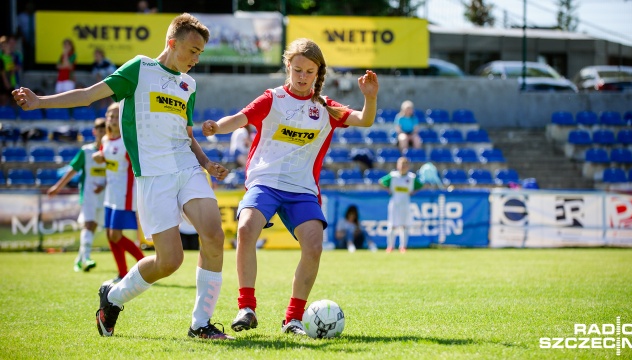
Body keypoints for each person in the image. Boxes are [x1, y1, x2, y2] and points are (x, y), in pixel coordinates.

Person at [12, 13, 233, 340]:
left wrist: (206, 162)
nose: (196, 58)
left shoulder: (189, 84)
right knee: (169, 261)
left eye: (201, 53)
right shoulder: (140, 68)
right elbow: (89, 94)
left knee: (214, 236)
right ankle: (112, 298)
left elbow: (185, 133)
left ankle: (201, 324)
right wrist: (40, 101)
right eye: (192, 50)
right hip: (153, 175)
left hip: (187, 168)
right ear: (172, 43)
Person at [201, 38, 379, 336]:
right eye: (297, 69)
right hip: (265, 182)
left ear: (317, 72)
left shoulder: (325, 108)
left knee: (314, 246)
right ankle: (246, 307)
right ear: (288, 67)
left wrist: (370, 97)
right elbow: (240, 118)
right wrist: (217, 127)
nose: (302, 76)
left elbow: (365, 120)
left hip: (302, 190)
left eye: (309, 71)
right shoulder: (272, 98)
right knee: (245, 229)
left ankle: (293, 319)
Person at [92, 103, 145, 283]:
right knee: (110, 236)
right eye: (109, 116)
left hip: (125, 195)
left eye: (116, 116)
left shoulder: (128, 140)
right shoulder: (106, 140)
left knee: (115, 235)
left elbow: (138, 163)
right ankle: (122, 273)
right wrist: (100, 156)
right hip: (110, 194)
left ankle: (144, 262)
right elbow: (106, 157)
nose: (112, 119)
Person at [47, 117, 107, 272]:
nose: (102, 133)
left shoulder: (111, 151)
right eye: (99, 130)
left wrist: (104, 185)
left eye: (104, 130)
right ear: (94, 132)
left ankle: (79, 259)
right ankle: (86, 258)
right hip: (88, 195)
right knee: (88, 225)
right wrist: (57, 187)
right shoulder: (86, 151)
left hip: (105, 196)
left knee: (93, 227)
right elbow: (72, 170)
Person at [379, 157, 423, 253]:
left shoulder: (411, 177)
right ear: (397, 165)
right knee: (392, 225)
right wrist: (388, 190)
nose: (403, 167)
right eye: (401, 164)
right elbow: (381, 182)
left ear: (407, 166)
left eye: (405, 165)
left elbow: (421, 185)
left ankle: (403, 247)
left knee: (404, 225)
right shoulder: (393, 176)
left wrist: (413, 192)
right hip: (395, 203)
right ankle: (390, 246)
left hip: (405, 203)